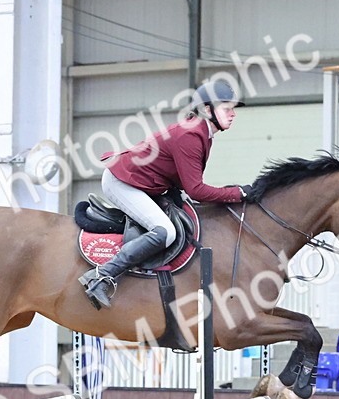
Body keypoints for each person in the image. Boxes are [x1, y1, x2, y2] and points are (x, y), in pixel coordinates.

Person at [78, 79, 254, 309]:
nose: (233, 114)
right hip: (122, 182)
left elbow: (186, 185)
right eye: (227, 108)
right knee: (165, 232)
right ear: (207, 109)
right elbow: (196, 190)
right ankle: (100, 276)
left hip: (145, 184)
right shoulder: (190, 136)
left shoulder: (202, 133)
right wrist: (237, 193)